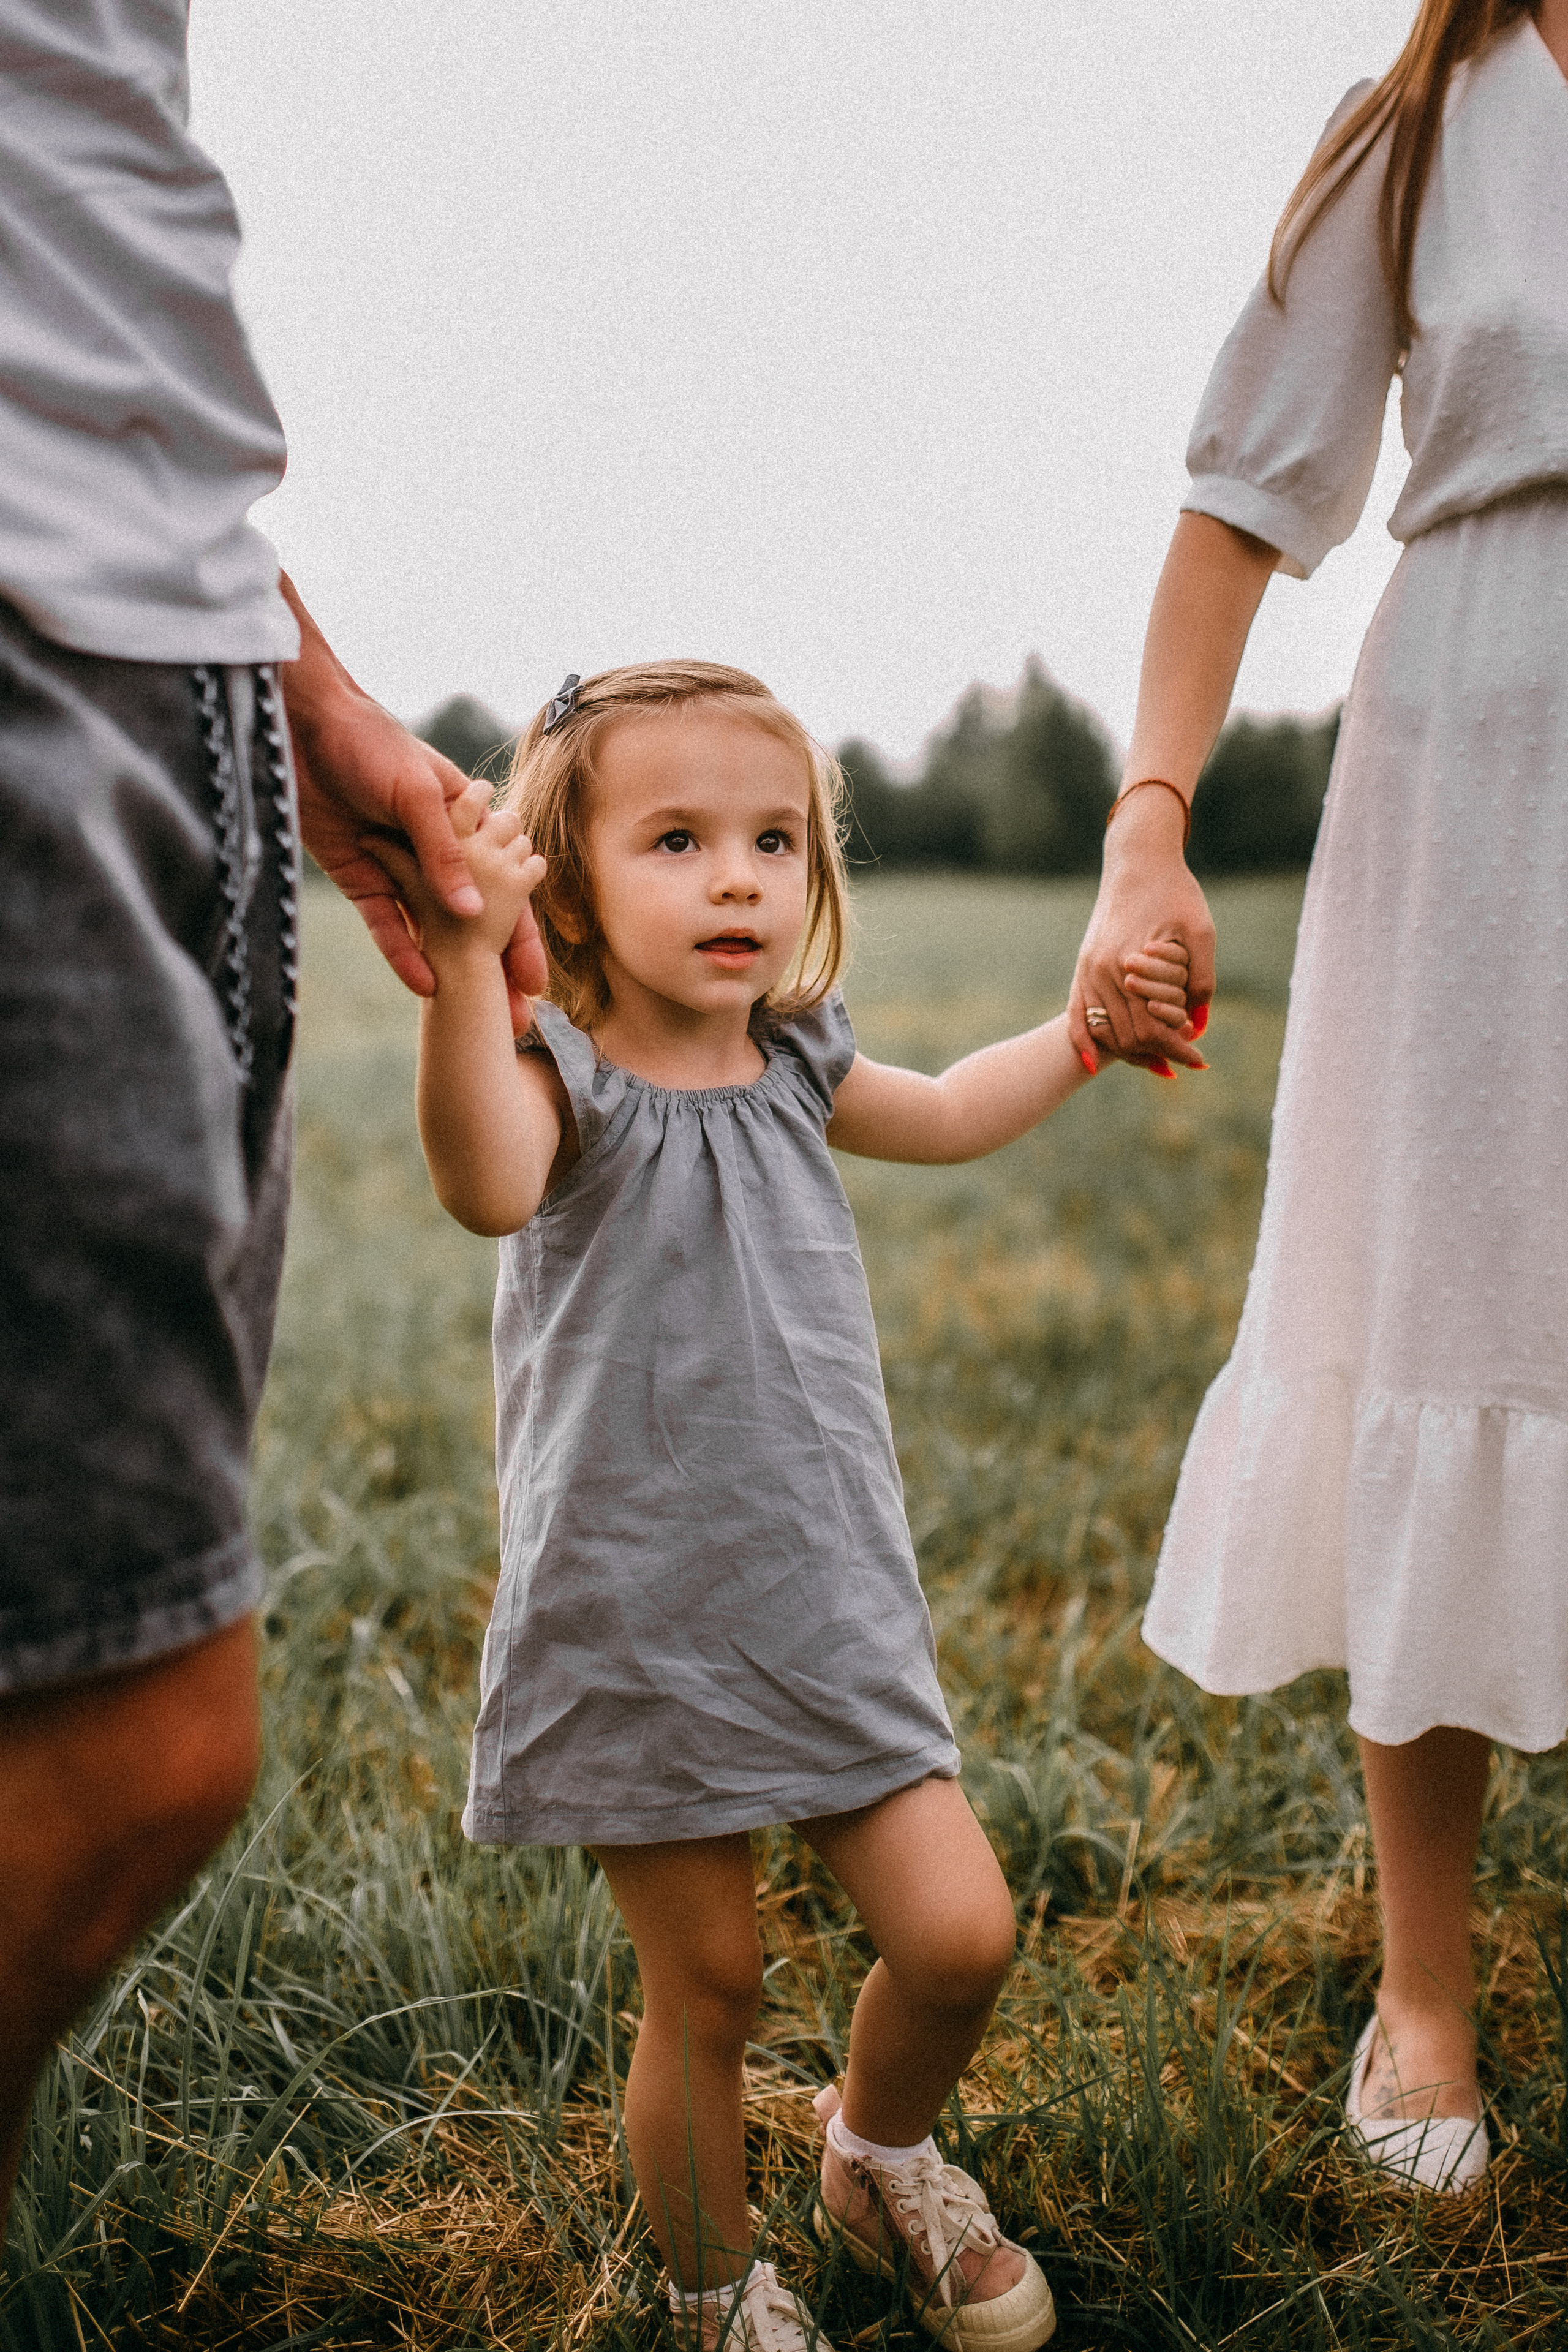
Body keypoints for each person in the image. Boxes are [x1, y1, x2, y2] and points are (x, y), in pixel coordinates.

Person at [385, 659, 1188, 2347]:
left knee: (961, 1933)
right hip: (638, 1622)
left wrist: (1084, 1031)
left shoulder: (802, 1062)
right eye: (676, 839)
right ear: (572, 875)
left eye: (776, 840)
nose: (740, 876)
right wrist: (469, 963)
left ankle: (875, 2152)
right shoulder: (563, 1083)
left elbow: (959, 1113)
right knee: (713, 1989)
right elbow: (479, 1183)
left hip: (824, 1600)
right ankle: (712, 2291)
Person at [0, 1, 543, 2231]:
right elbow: (492, 1174)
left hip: (175, 641)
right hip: (44, 639)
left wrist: (284, 668)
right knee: (118, 1730)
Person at [1068, 0, 1568, 2195]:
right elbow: (1234, 506)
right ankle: (1423, 1999)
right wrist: (1147, 827)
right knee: (1452, 1324)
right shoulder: (1422, 123)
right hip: (1487, 754)